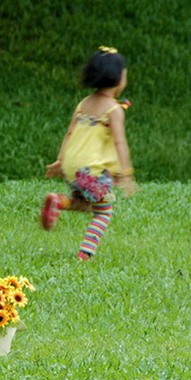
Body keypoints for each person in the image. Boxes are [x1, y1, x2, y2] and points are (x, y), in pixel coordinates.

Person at [40, 46, 138, 260]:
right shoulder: (113, 109)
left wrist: (59, 161)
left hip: (72, 167)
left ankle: (58, 201)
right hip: (92, 171)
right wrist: (126, 173)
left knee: (84, 204)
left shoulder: (84, 103)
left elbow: (69, 132)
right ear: (119, 78)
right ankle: (86, 253)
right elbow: (120, 142)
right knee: (103, 211)